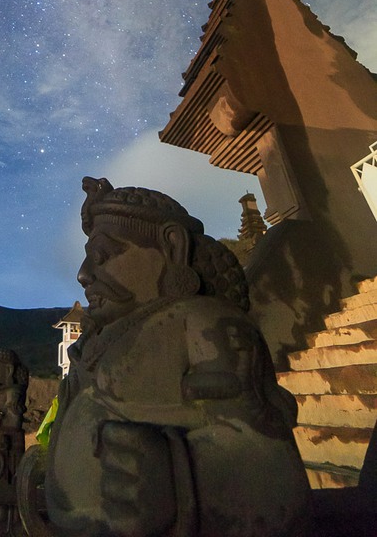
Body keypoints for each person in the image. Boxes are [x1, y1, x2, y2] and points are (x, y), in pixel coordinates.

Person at [18, 177, 310, 537]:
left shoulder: (204, 324)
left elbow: (264, 458)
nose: (83, 275)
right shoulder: (96, 343)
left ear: (171, 246)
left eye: (102, 256)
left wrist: (173, 472)